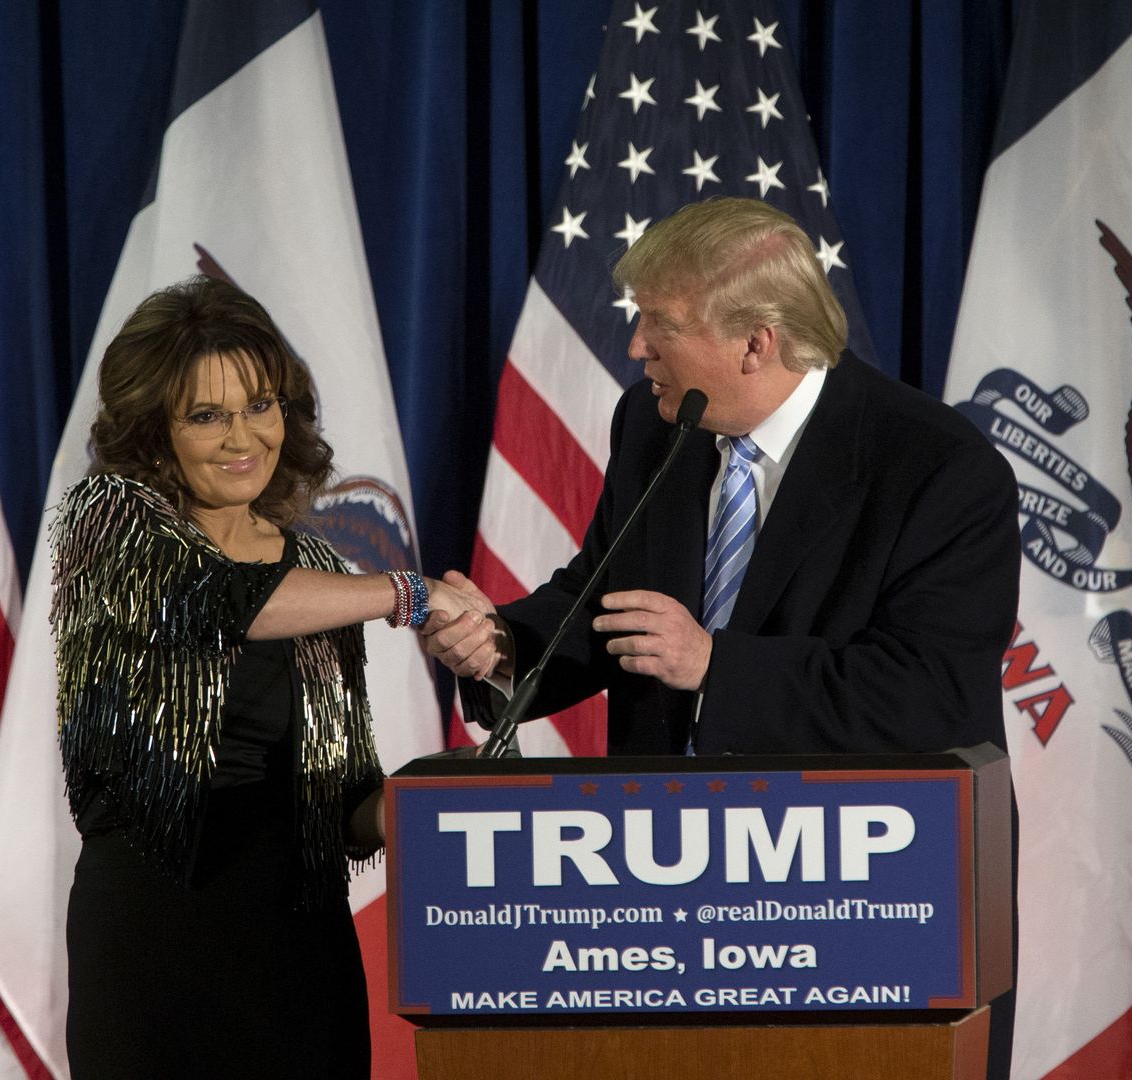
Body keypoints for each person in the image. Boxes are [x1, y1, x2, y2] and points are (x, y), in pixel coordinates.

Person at [52, 275, 468, 1078]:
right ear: (154, 430)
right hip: (155, 943)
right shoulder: (107, 522)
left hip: (300, 950)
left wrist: (425, 801)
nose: (243, 437)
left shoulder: (314, 564)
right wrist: (408, 593)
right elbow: (218, 601)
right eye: (206, 415)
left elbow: (343, 807)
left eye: (261, 406)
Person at [425, 197, 1020, 757]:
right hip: (662, 822)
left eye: (661, 324)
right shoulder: (654, 423)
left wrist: (712, 665)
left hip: (854, 823)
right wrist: (502, 645)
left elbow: (931, 694)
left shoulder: (939, 467)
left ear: (756, 343)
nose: (636, 346)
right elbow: (608, 602)